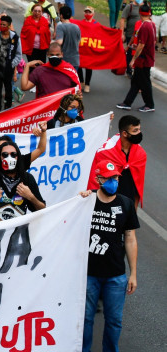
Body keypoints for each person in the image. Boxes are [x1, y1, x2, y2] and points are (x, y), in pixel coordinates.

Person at [80, 161, 139, 352]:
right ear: (98, 179)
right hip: (88, 274)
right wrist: (79, 199)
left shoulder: (126, 204)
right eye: (108, 178)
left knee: (114, 321)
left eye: (115, 178)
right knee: (86, 319)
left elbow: (130, 238)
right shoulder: (86, 202)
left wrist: (133, 274)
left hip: (116, 276)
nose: (113, 181)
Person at [0, 141, 46, 219]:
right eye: (5, 155)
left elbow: (42, 209)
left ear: (18, 157)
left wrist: (30, 196)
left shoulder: (27, 178)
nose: (9, 158)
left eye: (13, 154)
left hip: (19, 228)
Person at [88, 115, 146, 207]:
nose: (139, 133)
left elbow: (136, 185)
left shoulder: (140, 153)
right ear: (125, 133)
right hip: (108, 201)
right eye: (135, 131)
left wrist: (133, 211)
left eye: (139, 129)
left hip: (127, 202)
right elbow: (96, 181)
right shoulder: (105, 152)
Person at [117, 3, 155, 113]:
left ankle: (149, 104)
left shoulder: (144, 26)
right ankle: (127, 102)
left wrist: (133, 59)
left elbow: (142, 45)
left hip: (143, 60)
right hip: (147, 58)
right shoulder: (151, 24)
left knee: (145, 83)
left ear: (139, 13)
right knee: (136, 81)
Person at [0, 15, 22, 112]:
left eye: (4, 25)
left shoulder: (15, 38)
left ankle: (7, 108)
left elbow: (19, 54)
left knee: (8, 89)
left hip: (8, 69)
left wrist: (12, 64)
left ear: (9, 26)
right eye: (1, 24)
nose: (2, 26)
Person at [56, 6, 82, 71]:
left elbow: (59, 42)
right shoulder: (76, 27)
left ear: (61, 15)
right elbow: (79, 41)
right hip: (75, 60)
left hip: (64, 60)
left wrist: (52, 43)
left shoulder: (60, 27)